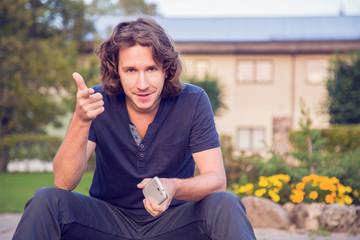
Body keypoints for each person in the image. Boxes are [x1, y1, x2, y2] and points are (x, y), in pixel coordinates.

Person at [13, 17, 256, 240]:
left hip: (173, 224)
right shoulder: (97, 100)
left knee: (226, 203)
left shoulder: (193, 100)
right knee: (46, 199)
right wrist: (81, 120)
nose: (142, 84)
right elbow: (63, 182)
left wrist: (174, 187)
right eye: (131, 70)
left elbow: (216, 179)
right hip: (107, 223)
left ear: (166, 70)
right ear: (116, 72)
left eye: (151, 69)